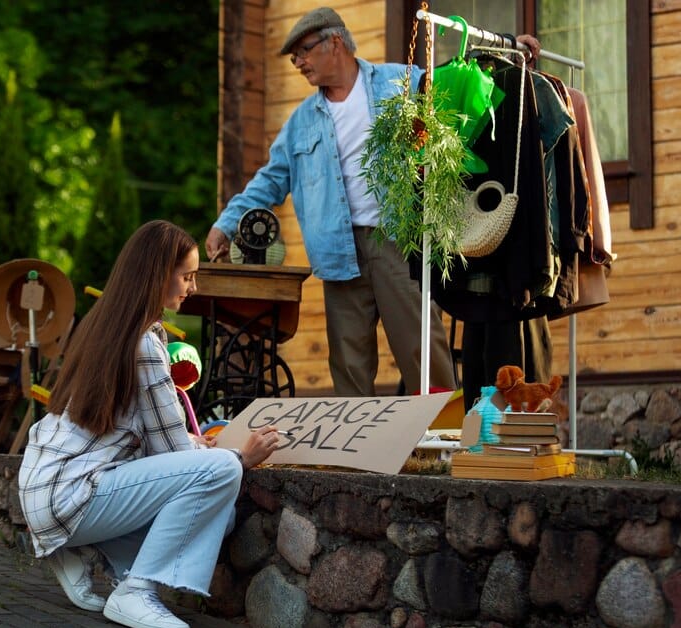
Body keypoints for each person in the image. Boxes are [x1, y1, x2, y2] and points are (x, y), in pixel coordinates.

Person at [205, 7, 541, 398]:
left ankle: (443, 432)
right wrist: (225, 224)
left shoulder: (399, 82)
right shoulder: (301, 121)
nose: (298, 63)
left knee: (422, 349)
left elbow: (461, 84)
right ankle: (356, 438)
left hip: (397, 241)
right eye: (293, 57)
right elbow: (268, 181)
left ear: (334, 42)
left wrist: (508, 48)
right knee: (349, 362)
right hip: (338, 253)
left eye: (303, 51)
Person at [18, 220, 280, 628]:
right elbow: (175, 454)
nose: (193, 287)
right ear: (158, 274)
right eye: (187, 276)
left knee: (222, 516)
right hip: (70, 494)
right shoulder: (144, 343)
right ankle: (136, 591)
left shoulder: (103, 327)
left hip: (45, 488)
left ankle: (83, 549)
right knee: (223, 473)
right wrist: (239, 455)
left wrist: (198, 442)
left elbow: (147, 434)